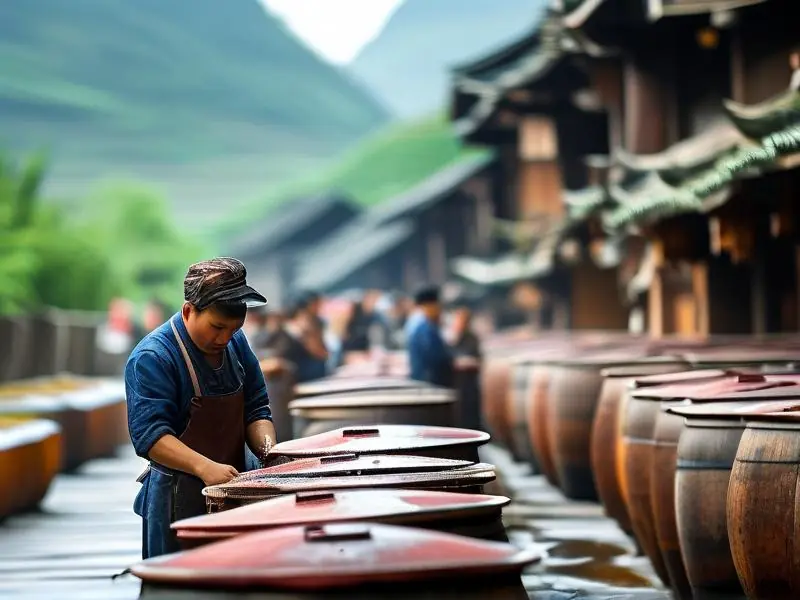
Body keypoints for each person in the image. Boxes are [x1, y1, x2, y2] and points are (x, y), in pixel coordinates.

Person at [125, 257, 276, 560]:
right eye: (217, 327)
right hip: (176, 498)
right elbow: (150, 437)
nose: (224, 338)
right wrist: (204, 468)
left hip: (235, 488)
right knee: (177, 579)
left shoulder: (236, 343)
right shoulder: (153, 357)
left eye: (233, 329)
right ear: (188, 311)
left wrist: (270, 454)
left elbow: (257, 408)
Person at [406, 285, 454, 387]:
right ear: (429, 305)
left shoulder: (416, 321)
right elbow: (435, 357)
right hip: (429, 382)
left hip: (422, 380)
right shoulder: (423, 326)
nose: (439, 309)